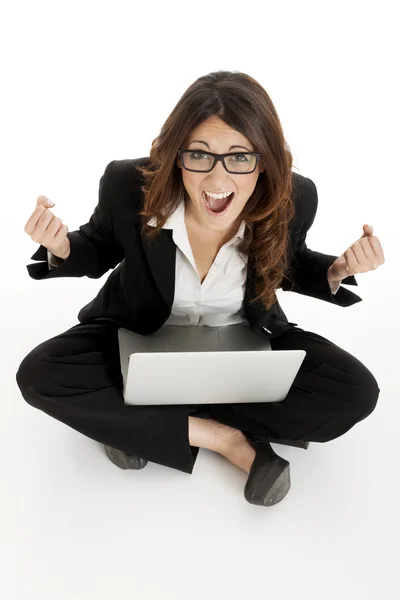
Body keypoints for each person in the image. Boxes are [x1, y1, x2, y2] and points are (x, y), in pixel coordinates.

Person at [16, 70, 383, 508]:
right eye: (200, 155)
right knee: (40, 374)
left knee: (355, 392)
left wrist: (337, 270)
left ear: (264, 160)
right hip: (142, 332)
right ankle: (225, 438)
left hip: (241, 338)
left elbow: (289, 263)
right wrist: (60, 246)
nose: (217, 177)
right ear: (175, 156)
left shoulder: (294, 197)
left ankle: (143, 421)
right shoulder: (127, 185)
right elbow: (97, 247)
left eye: (239, 157)